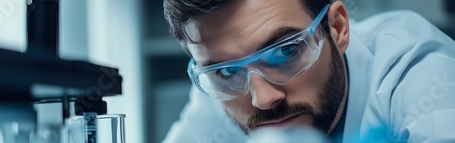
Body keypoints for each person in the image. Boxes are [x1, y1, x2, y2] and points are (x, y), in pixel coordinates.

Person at [162, 0, 455, 142]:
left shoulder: (418, 72)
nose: (262, 99)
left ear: (337, 27)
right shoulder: (223, 87)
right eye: (226, 71)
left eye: (285, 50)